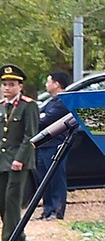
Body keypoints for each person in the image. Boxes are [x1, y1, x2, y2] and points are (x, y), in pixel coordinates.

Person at [0, 65, 36, 241]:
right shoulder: (1, 106)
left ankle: (8, 240)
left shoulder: (27, 106)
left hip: (17, 160)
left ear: (20, 86)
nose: (7, 88)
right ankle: (19, 235)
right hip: (2, 160)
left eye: (11, 84)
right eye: (4, 84)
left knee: (12, 200)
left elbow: (30, 135)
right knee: (2, 201)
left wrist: (20, 158)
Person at [34, 70, 71, 220]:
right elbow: (40, 116)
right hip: (43, 145)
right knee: (43, 179)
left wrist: (42, 117)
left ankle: (57, 210)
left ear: (56, 84)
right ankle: (47, 210)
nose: (46, 84)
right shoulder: (51, 102)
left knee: (56, 178)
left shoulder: (63, 102)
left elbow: (45, 120)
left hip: (56, 144)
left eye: (48, 81)